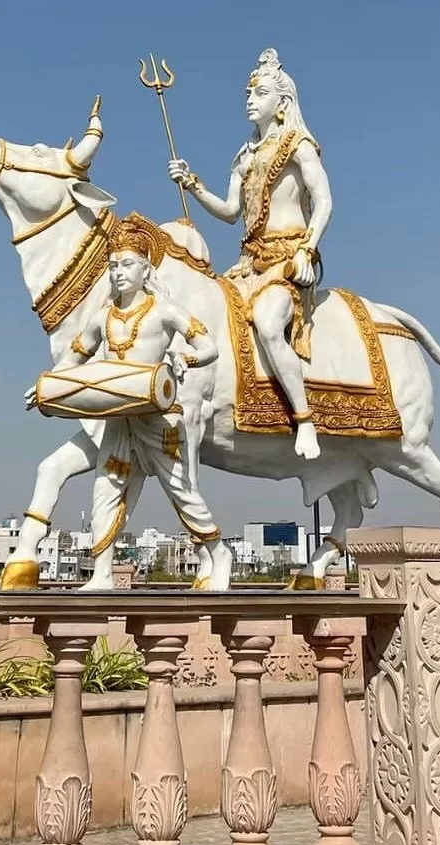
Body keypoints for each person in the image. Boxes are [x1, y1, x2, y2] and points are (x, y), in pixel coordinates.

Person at [26, 214, 230, 590]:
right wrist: (52, 385)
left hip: (158, 416)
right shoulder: (102, 316)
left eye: (128, 265)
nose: (119, 272)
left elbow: (209, 346)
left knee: (181, 492)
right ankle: (101, 573)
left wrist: (187, 357)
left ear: (146, 269)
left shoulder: (164, 310)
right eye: (114, 265)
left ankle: (219, 551)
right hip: (118, 417)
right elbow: (75, 357)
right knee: (106, 488)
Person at [168, 48, 332, 459]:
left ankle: (304, 419)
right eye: (248, 92)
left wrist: (308, 249)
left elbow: (325, 200)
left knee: (267, 322)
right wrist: (193, 185)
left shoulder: (299, 145)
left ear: (282, 103)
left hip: (289, 256)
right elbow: (229, 213)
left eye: (258, 92)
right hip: (250, 261)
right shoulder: (244, 156)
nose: (249, 99)